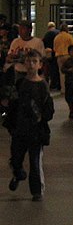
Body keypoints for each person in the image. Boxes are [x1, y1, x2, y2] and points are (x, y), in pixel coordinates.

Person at [4, 49, 54, 202]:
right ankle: (18, 173)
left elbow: (48, 109)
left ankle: (36, 191)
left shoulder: (43, 86)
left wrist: (41, 117)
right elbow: (12, 103)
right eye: (28, 61)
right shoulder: (20, 83)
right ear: (24, 64)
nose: (31, 65)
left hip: (36, 131)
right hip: (19, 129)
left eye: (34, 62)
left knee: (35, 161)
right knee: (16, 157)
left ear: (40, 65)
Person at [53, 23, 73, 93]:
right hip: (67, 55)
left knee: (61, 73)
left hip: (59, 56)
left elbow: (54, 48)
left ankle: (63, 89)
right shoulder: (69, 36)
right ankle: (69, 88)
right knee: (69, 72)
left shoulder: (57, 37)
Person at [42, 20, 60, 90]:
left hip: (51, 54)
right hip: (58, 52)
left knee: (52, 69)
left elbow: (44, 43)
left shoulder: (48, 34)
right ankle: (59, 84)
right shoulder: (58, 33)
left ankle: (53, 84)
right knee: (58, 69)